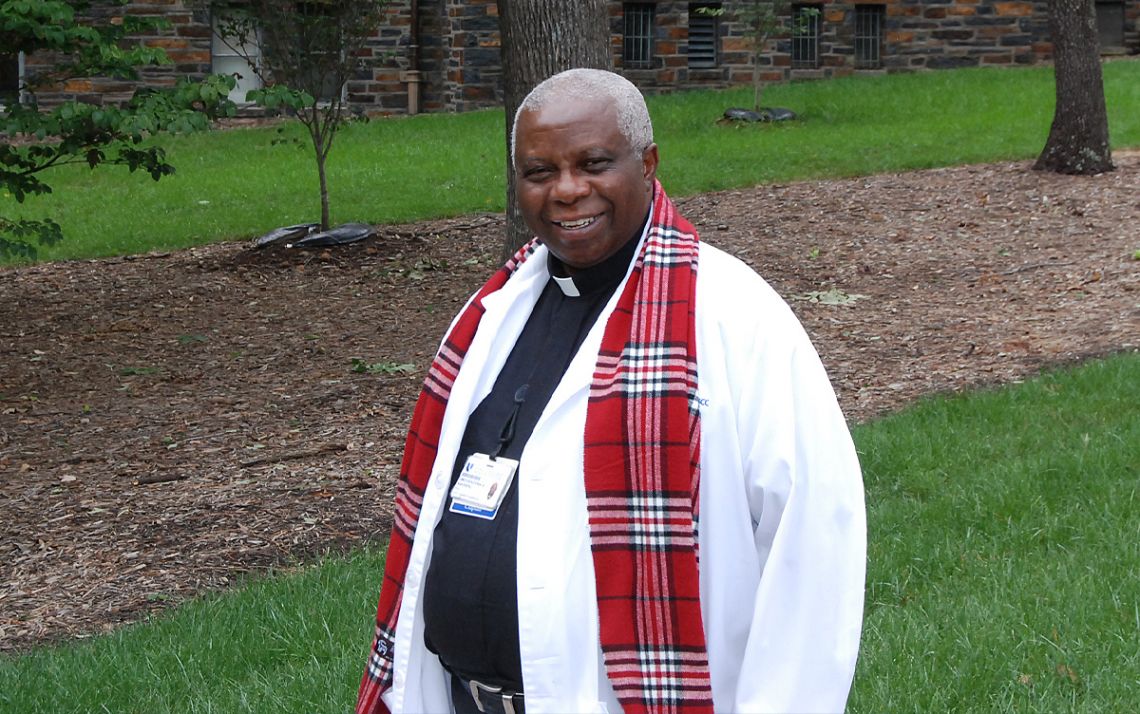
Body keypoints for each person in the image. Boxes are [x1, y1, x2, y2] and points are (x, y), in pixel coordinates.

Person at [357, 68, 865, 714]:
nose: (568, 191)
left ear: (648, 164)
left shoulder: (734, 318)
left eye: (594, 163)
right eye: (540, 173)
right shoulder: (493, 314)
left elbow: (813, 544)